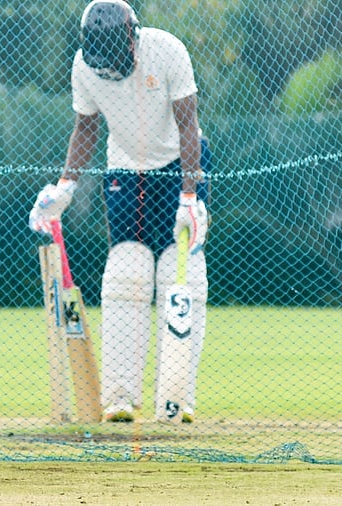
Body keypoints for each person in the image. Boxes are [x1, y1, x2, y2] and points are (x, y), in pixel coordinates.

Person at [28, 0, 211, 424]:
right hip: (125, 171)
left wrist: (190, 195)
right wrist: (66, 187)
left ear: (132, 36)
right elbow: (86, 127)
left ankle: (177, 397)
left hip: (179, 167)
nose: (108, 67)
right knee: (126, 274)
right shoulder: (83, 66)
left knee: (181, 276)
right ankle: (120, 397)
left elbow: (189, 127)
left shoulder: (167, 50)